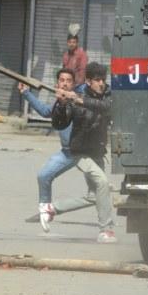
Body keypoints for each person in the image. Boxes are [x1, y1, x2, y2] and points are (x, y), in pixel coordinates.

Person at [18, 69, 94, 232]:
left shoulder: (79, 99)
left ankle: (105, 228)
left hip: (85, 153)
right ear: (57, 84)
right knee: (43, 176)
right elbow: (46, 112)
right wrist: (26, 93)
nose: (65, 83)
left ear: (73, 84)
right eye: (62, 80)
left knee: (96, 193)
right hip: (67, 153)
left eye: (68, 80)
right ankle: (45, 211)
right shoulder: (59, 102)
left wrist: (77, 95)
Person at [52, 62, 117, 243]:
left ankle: (53, 208)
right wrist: (61, 104)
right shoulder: (76, 96)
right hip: (80, 153)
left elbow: (109, 108)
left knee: (95, 195)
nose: (101, 83)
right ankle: (106, 230)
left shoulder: (107, 94)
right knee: (103, 183)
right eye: (97, 80)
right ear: (88, 81)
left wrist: (80, 100)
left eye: (103, 79)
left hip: (98, 151)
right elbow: (59, 124)